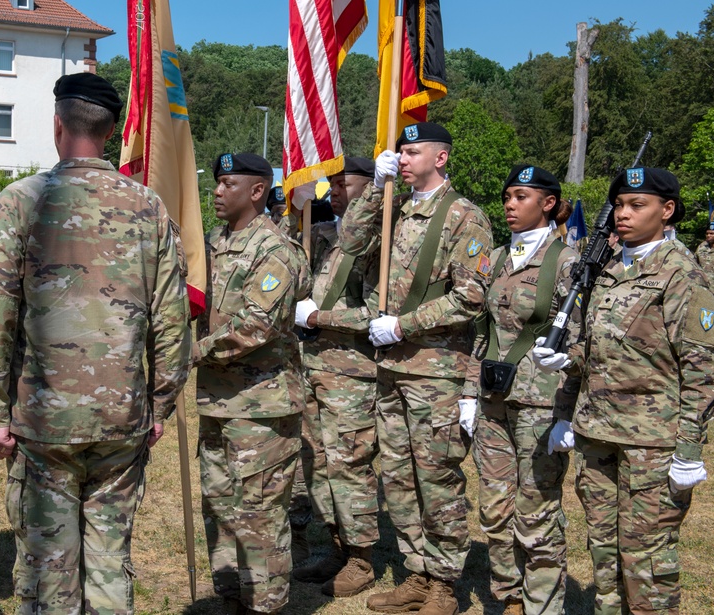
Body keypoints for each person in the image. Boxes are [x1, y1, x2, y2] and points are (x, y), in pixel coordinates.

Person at [0, 73, 190, 615]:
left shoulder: (21, 201)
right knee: (111, 562)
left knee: (48, 572)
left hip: (44, 422)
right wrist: (159, 404)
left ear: (58, 125)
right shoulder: (147, 207)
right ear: (111, 133)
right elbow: (173, 321)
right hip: (121, 417)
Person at [535, 167, 714, 615]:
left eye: (638, 205)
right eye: (619, 205)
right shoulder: (607, 267)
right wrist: (566, 374)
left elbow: (702, 370)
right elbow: (598, 349)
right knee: (604, 555)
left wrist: (689, 449)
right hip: (598, 433)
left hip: (651, 443)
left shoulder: (682, 276)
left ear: (667, 210)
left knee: (647, 563)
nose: (624, 214)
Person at [342, 122, 493, 615]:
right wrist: (372, 194)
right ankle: (416, 572)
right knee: (399, 477)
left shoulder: (464, 216)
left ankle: (446, 585)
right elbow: (349, 242)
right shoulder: (394, 204)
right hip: (391, 368)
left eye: (411, 152)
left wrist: (404, 325)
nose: (402, 160)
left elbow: (471, 296)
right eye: (399, 154)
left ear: (441, 158)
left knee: (437, 478)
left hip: (436, 370)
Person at [193, 152, 310, 615]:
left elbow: (256, 326)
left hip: (261, 408)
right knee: (220, 511)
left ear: (257, 190)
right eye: (217, 183)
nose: (217, 191)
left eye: (227, 183)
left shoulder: (275, 249)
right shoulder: (214, 241)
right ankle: (232, 598)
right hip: (217, 403)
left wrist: (190, 353)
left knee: (258, 518)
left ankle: (265, 605)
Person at [468, 165, 579, 615]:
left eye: (521, 197)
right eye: (507, 196)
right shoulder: (495, 259)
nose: (510, 205)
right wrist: (466, 393)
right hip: (493, 398)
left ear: (548, 203)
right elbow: (480, 330)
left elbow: (580, 341)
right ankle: (507, 597)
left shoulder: (568, 262)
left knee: (536, 512)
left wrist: (568, 414)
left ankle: (543, 605)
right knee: (494, 510)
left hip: (542, 404)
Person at [289, 156, 381, 598]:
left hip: (351, 372)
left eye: (344, 184)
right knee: (316, 463)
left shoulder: (380, 241)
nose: (335, 192)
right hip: (313, 365)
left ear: (371, 186)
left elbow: (380, 315)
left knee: (348, 464)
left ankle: (362, 558)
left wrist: (321, 316)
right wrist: (293, 209)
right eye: (332, 185)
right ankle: (338, 544)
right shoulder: (328, 235)